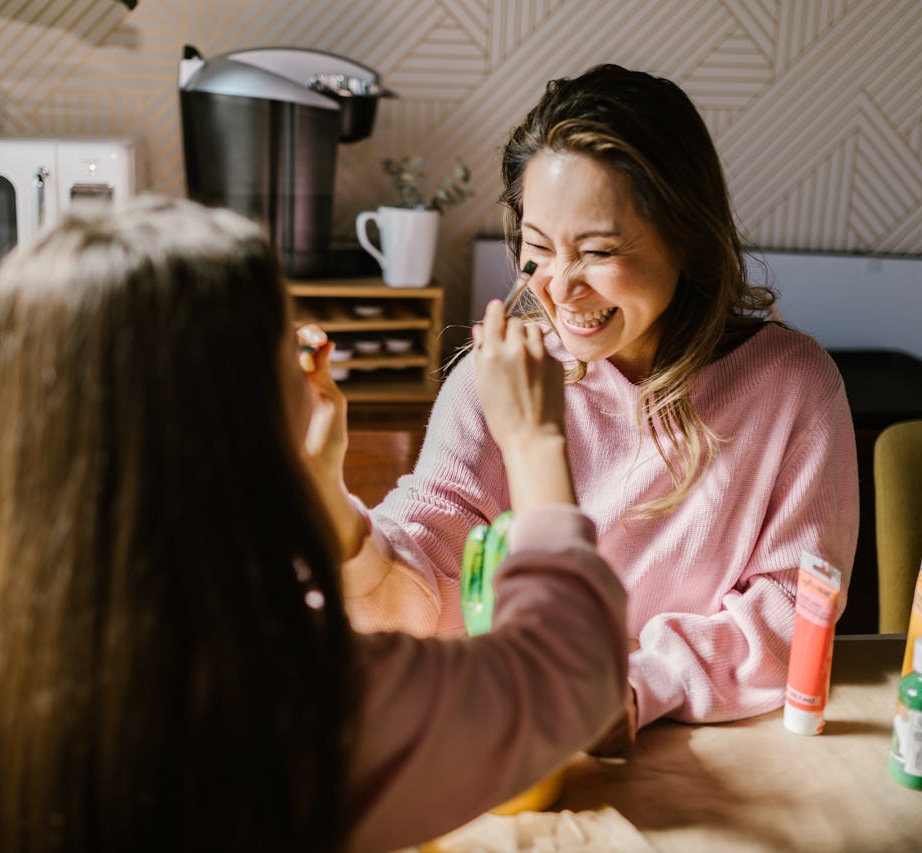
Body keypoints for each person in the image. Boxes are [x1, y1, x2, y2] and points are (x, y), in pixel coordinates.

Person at [0, 196, 628, 852]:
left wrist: (313, 491)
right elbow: (567, 673)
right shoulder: (299, 702)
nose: (311, 362)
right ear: (235, 424)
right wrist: (533, 438)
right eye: (285, 351)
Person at [321, 64, 859, 743]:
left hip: (713, 743)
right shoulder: (500, 378)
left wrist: (630, 691)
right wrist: (331, 504)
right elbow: (425, 551)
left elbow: (792, 612)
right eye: (538, 250)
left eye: (598, 251)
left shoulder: (793, 388)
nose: (560, 289)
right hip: (517, 732)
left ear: (687, 238)